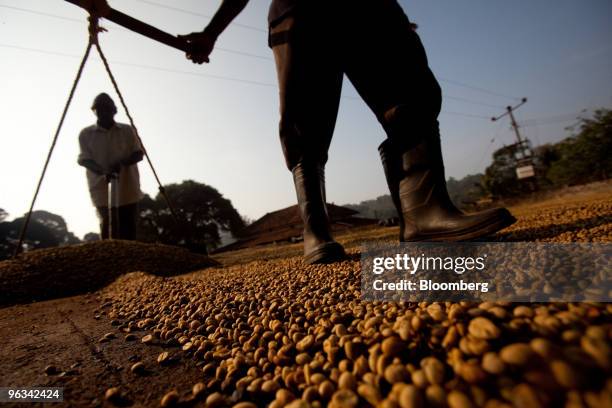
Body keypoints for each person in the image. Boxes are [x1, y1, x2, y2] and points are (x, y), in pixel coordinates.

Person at [180, 0, 516, 264]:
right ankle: (316, 231)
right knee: (304, 124)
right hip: (299, 11)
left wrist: (390, 11)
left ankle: (425, 215)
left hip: (369, 7)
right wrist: (212, 32)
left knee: (411, 94)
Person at [77, 93, 144, 240]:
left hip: (128, 187)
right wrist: (103, 171)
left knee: (128, 229)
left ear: (114, 110)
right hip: (101, 188)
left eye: (108, 109)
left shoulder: (127, 130)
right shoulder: (86, 134)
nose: (104, 112)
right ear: (94, 111)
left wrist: (122, 164)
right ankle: (109, 258)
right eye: (100, 109)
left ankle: (129, 259)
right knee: (107, 226)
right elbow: (84, 160)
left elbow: (138, 154)